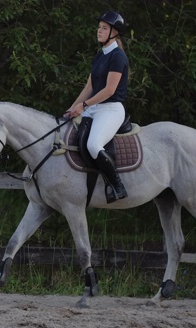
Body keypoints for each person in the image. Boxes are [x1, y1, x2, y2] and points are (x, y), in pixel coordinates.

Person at [66, 10, 129, 202]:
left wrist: (84, 105)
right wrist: (72, 107)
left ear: (114, 32)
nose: (99, 31)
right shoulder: (100, 55)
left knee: (94, 144)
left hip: (111, 108)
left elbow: (109, 90)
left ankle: (117, 186)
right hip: (94, 108)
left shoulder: (117, 57)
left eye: (104, 28)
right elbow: (90, 87)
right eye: (99, 27)